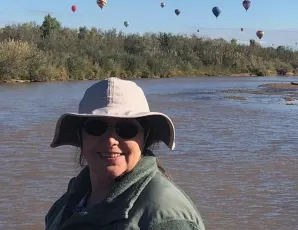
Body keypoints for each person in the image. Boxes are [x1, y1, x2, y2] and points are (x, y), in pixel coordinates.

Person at [45, 77, 205, 230]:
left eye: (127, 129)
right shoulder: (71, 200)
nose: (110, 141)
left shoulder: (165, 217)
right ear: (80, 136)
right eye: (96, 127)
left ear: (144, 138)